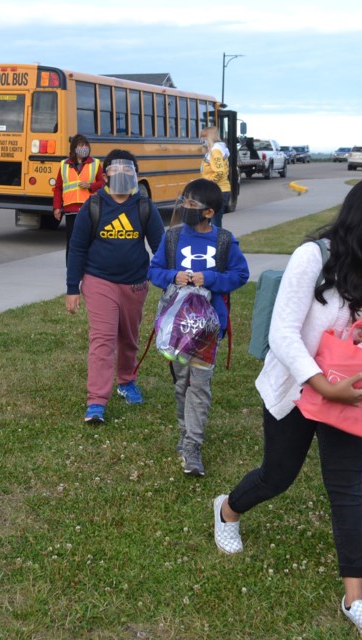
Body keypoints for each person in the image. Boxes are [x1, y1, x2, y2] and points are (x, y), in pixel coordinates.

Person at [213, 176, 362, 639]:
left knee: (345, 490)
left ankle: (355, 597)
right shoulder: (313, 256)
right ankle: (227, 511)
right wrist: (321, 383)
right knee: (276, 476)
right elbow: (283, 332)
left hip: (351, 393)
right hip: (300, 390)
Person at [147, 178, 250, 477]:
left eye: (192, 204)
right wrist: (173, 276)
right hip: (177, 328)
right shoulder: (172, 238)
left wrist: (212, 279)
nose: (186, 208)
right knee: (181, 383)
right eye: (185, 201)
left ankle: (193, 445)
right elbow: (153, 271)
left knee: (199, 385)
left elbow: (240, 274)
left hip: (207, 329)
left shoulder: (225, 242)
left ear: (209, 212)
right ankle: (184, 431)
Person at [65, 149, 164, 424]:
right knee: (103, 338)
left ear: (136, 174)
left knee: (128, 338)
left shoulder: (144, 207)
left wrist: (172, 279)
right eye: (115, 170)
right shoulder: (93, 205)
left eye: (127, 170)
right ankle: (96, 401)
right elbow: (77, 247)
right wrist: (73, 288)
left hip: (134, 283)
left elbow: (161, 247)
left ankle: (126, 381)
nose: (121, 174)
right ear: (105, 174)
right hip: (99, 281)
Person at [52, 134, 105, 265]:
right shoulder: (64, 165)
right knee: (72, 240)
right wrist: (57, 207)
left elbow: (104, 183)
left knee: (89, 239)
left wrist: (90, 186)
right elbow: (58, 187)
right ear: (74, 148)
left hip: (89, 208)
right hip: (71, 210)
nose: (84, 148)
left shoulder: (95, 164)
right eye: (81, 146)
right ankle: (71, 266)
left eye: (86, 146)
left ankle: (89, 266)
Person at [199, 126, 232, 229]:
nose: (201, 140)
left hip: (217, 192)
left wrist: (207, 184)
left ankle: (218, 244)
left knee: (214, 225)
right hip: (219, 190)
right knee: (212, 224)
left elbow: (219, 172)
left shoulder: (215, 151)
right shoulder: (217, 150)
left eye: (204, 137)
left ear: (209, 137)